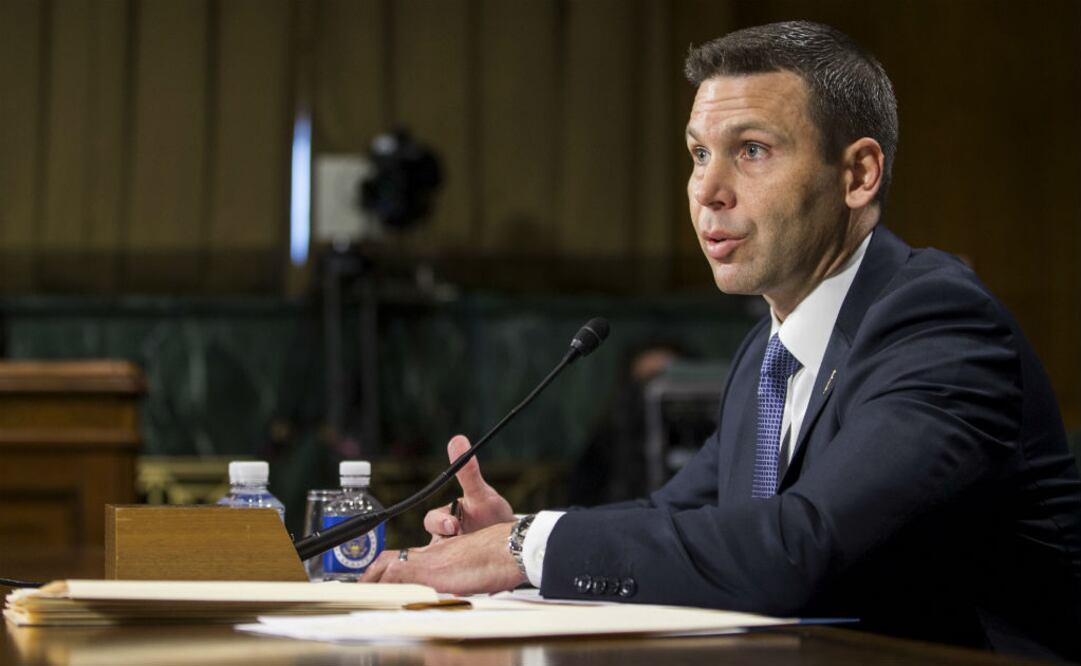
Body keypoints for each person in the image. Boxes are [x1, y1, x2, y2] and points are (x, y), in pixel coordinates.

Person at [363, 20, 1081, 660]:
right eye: (699, 153)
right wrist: (518, 531)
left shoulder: (936, 324)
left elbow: (800, 547)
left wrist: (525, 548)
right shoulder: (769, 353)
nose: (707, 190)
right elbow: (678, 517)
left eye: (752, 151)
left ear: (858, 174)